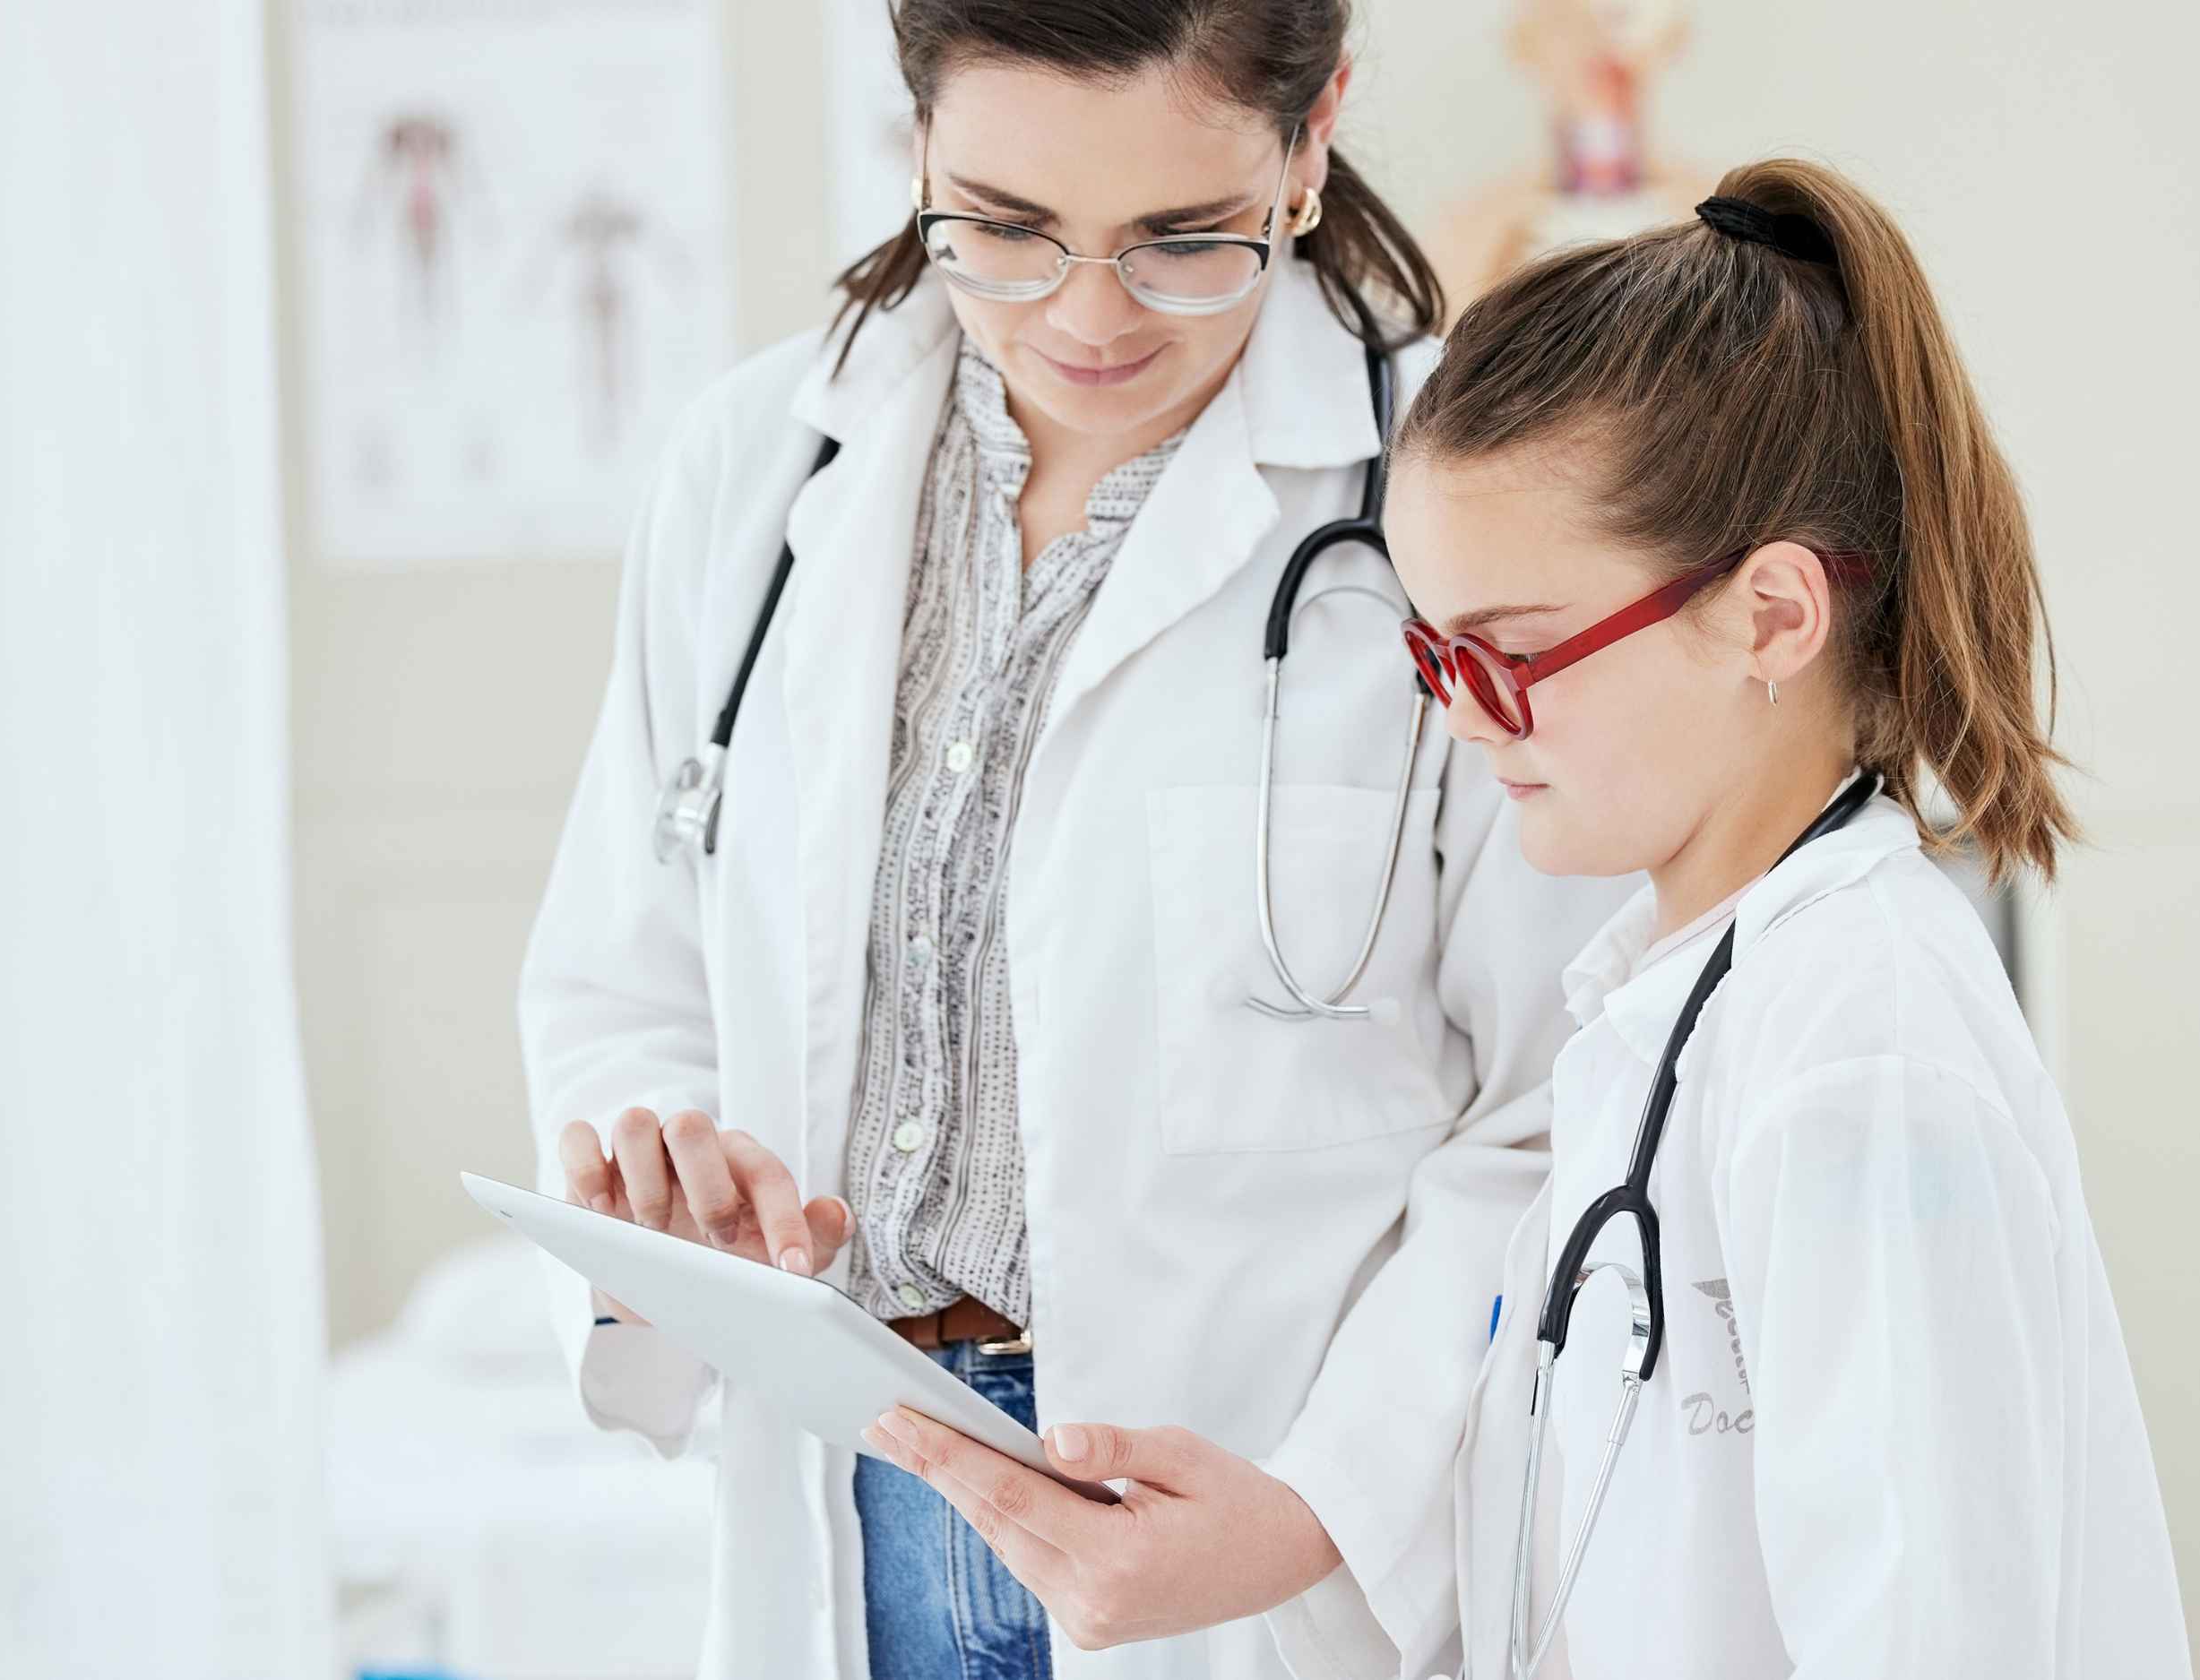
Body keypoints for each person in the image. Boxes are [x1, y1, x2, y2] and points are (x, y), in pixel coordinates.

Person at [858, 157, 2191, 1678]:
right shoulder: (1668, 1004)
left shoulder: (1856, 1052)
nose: (1464, 726)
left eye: (1505, 659)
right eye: (1433, 665)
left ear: (1768, 616)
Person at [516, 4, 1624, 1677]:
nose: (1087, 317)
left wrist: (1321, 1504)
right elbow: (624, 973)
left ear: (1313, 131)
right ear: (915, 142)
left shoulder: (1456, 496)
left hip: (1247, 1540)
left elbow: (1557, 1099)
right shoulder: (755, 471)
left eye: (1183, 241)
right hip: (854, 1485)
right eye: (1005, 232)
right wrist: (662, 1204)